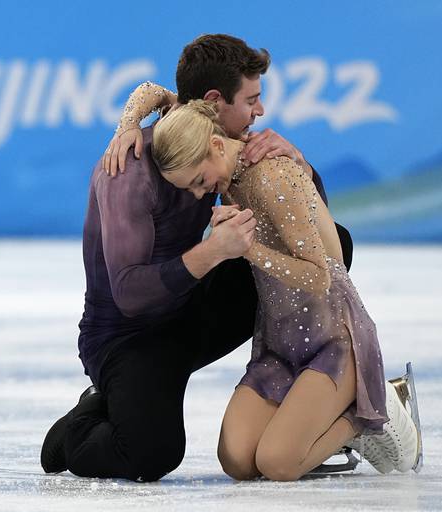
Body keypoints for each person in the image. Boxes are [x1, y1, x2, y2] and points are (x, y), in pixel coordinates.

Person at [40, 34, 356, 482]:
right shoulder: (128, 170)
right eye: (251, 99)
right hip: (130, 337)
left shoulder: (220, 142)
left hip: (191, 309)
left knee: (336, 245)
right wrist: (212, 251)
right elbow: (129, 295)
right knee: (152, 453)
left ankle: (316, 391)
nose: (258, 111)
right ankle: (84, 421)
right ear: (213, 100)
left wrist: (298, 163)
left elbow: (312, 237)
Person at [150, 99, 422, 481]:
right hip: (279, 346)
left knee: (277, 464)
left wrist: (249, 250)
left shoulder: (273, 174)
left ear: (214, 146)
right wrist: (125, 128)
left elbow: (319, 276)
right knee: (238, 462)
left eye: (198, 181)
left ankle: (367, 415)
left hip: (334, 343)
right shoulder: (229, 178)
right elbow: (157, 93)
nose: (199, 194)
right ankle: (318, 420)